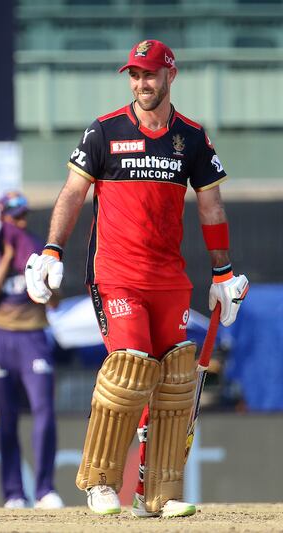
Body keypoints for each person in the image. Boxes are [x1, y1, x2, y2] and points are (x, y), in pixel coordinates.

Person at [24, 39, 249, 518]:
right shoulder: (103, 131)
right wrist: (51, 249)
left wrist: (223, 273)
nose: (142, 84)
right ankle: (100, 483)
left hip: (169, 279)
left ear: (171, 76)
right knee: (129, 367)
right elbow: (72, 192)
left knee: (173, 383)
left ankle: (157, 495)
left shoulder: (191, 136)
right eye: (135, 76)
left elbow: (211, 205)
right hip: (117, 275)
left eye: (150, 75)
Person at [0, 191, 64, 510]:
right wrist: (7, 258)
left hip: (33, 337)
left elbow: (55, 301)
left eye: (24, 215)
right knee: (5, 418)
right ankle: (13, 493)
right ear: (2, 218)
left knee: (44, 411)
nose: (21, 222)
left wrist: (40, 279)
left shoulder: (40, 248)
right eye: (14, 217)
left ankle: (45, 489)